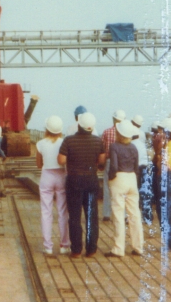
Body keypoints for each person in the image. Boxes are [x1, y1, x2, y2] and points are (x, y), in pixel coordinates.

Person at [59, 112, 105, 257]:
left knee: (74, 216)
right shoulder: (98, 141)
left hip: (74, 181)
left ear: (79, 125)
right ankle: (91, 249)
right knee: (92, 215)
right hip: (91, 180)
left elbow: (61, 160)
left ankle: (76, 250)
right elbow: (102, 161)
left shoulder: (68, 140)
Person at [104, 119, 144, 258]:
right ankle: (138, 247)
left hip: (119, 178)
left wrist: (110, 178)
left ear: (119, 133)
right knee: (134, 214)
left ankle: (118, 248)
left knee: (118, 214)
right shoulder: (133, 147)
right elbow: (137, 166)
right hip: (131, 178)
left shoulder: (114, 146)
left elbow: (113, 166)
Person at [36, 116, 70, 256]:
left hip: (46, 177)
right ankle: (64, 245)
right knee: (62, 212)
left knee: (46, 212)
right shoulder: (64, 142)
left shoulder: (40, 144)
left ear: (46, 129)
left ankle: (48, 246)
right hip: (61, 175)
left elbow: (39, 164)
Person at [151, 125, 171, 250]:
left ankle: (170, 242)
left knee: (165, 212)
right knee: (169, 210)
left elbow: (165, 165)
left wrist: (159, 152)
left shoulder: (170, 146)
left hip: (169, 178)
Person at [101, 110, 124, 223]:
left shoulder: (106, 132)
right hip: (122, 162)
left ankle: (106, 214)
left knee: (107, 187)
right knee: (121, 188)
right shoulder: (125, 134)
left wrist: (101, 163)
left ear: (114, 119)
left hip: (110, 161)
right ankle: (123, 215)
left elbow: (103, 150)